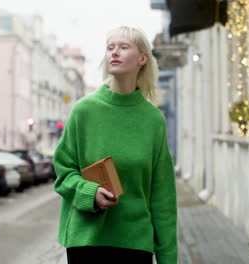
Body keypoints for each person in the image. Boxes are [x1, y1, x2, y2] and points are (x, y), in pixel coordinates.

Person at [53, 26, 178, 264]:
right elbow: (63, 172)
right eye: (110, 47)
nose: (114, 53)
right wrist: (90, 194)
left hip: (135, 245)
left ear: (142, 58)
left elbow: (163, 198)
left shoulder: (153, 121)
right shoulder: (83, 111)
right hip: (86, 243)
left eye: (123, 46)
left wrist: (168, 258)